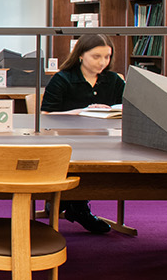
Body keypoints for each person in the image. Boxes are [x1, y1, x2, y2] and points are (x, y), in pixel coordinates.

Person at [39, 34, 124, 234]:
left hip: (104, 141)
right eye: (96, 56)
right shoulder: (62, 79)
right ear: (80, 55)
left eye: (107, 57)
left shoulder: (113, 80)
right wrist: (78, 112)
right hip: (66, 141)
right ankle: (77, 207)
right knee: (78, 157)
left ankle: (70, 204)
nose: (103, 62)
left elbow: (127, 107)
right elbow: (45, 115)